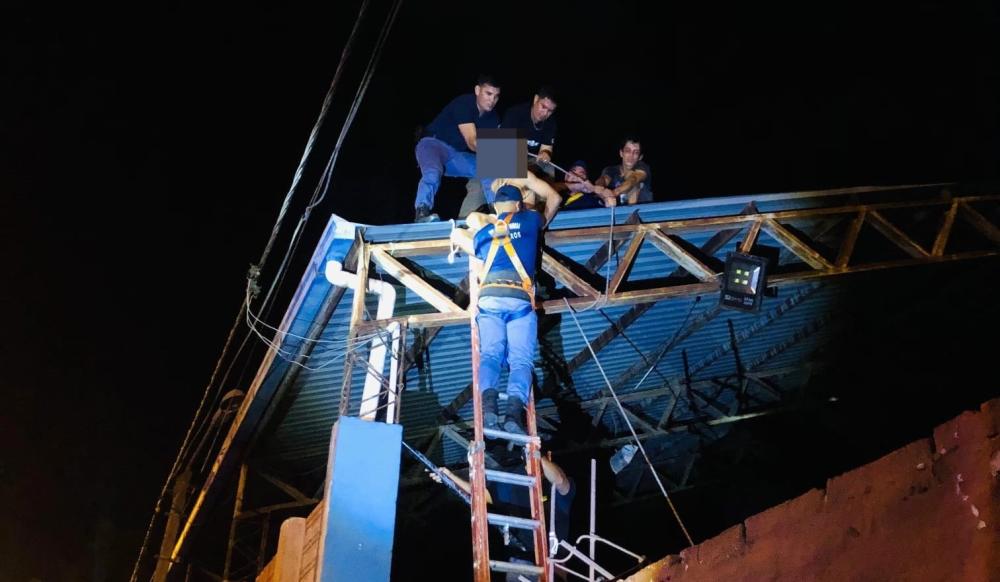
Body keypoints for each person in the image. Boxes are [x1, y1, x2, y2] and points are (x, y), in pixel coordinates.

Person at [450, 182, 559, 435]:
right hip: (518, 298)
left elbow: (475, 247)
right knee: (520, 361)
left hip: (489, 297)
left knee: (490, 356)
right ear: (519, 205)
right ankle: (513, 415)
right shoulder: (530, 220)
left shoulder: (483, 234)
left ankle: (489, 408)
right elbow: (554, 199)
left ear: (496, 207)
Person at [433, 452, 575, 581]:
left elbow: (560, 480)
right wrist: (450, 477)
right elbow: (478, 494)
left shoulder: (556, 490)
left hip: (553, 559)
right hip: (521, 559)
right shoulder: (512, 487)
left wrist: (539, 455)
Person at [414, 74, 502, 223]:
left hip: (454, 154)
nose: (492, 100)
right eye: (488, 94)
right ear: (477, 90)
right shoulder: (464, 103)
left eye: (496, 96)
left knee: (489, 168)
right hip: (432, 145)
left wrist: (516, 157)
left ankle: (497, 210)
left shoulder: (493, 118)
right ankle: (422, 211)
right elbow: (472, 142)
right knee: (433, 172)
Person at [501, 86, 558, 177]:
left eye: (550, 111)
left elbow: (546, 149)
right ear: (536, 99)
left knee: (549, 168)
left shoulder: (551, 123)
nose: (545, 113)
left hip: (530, 160)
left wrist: (545, 154)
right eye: (543, 107)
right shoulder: (514, 113)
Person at [594, 136, 653, 206]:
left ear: (640, 157)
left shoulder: (643, 167)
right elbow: (603, 179)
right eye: (628, 151)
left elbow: (633, 180)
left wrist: (613, 193)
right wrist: (601, 190)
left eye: (636, 152)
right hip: (617, 211)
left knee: (635, 185)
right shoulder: (611, 170)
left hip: (642, 211)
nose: (631, 156)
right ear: (621, 153)